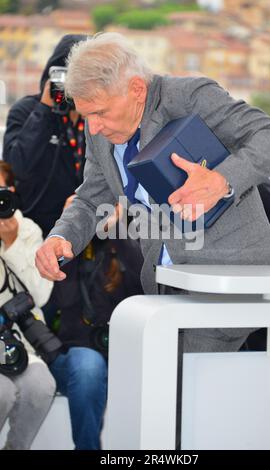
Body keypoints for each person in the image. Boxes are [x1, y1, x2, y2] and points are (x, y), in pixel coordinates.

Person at [36, 32, 270, 356]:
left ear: (136, 89)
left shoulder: (189, 97)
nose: (92, 128)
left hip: (230, 280)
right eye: (85, 114)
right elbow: (92, 196)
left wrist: (221, 180)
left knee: (178, 392)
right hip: (164, 285)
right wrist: (62, 237)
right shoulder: (101, 131)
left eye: (100, 113)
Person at [48, 235, 143, 450]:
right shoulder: (69, 251)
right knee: (89, 366)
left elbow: (145, 282)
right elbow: (64, 299)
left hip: (121, 355)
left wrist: (118, 231)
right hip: (75, 355)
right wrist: (70, 237)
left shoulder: (128, 245)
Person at [3, 34, 87, 238]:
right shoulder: (26, 111)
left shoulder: (94, 117)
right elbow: (17, 166)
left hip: (82, 228)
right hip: (34, 228)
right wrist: (45, 109)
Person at [0, 161, 55, 450]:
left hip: (18, 340)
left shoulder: (28, 230)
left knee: (41, 385)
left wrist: (12, 245)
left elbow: (40, 295)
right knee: (2, 391)